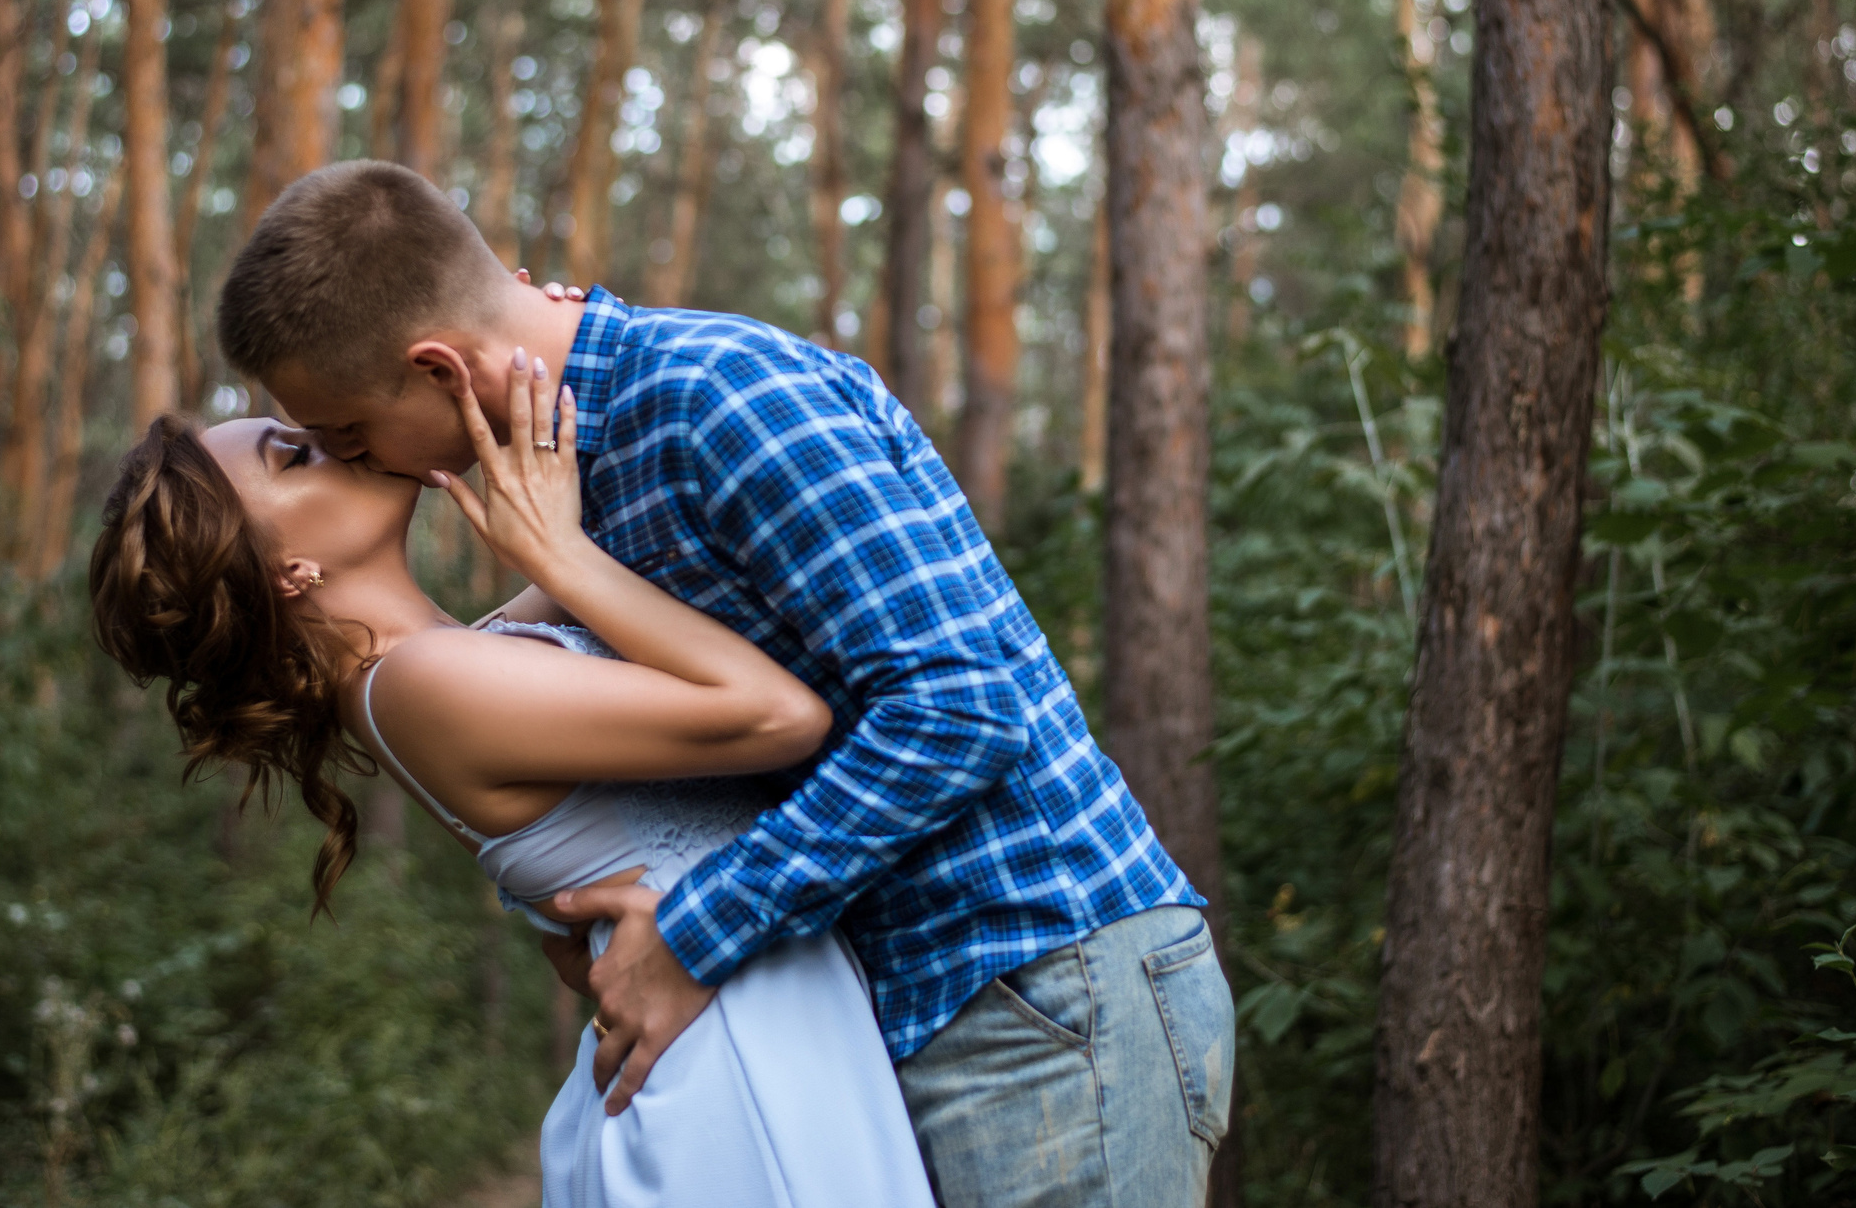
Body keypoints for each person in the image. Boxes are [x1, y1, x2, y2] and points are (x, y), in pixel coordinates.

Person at [213, 161, 1235, 1208]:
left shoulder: (718, 397)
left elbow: (962, 707)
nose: (361, 461)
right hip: (917, 1005)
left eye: (348, 434)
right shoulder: (577, 472)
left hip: (1039, 985)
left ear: (436, 365)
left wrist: (693, 932)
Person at [88, 352, 938, 1206]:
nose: (329, 438)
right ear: (289, 569)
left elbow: (596, 551)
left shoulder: (437, 662)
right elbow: (779, 714)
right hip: (730, 1070)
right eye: (294, 454)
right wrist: (562, 556)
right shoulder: (422, 684)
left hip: (736, 1026)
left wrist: (510, 356)